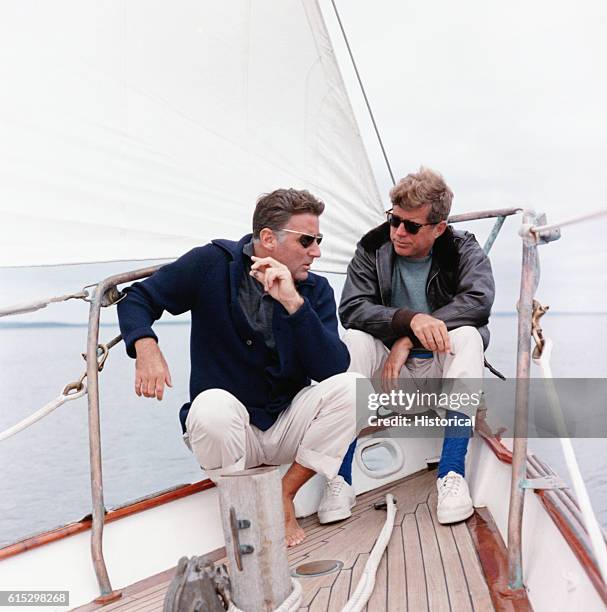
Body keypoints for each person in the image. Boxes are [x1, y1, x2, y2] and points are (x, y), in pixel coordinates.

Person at [117, 188, 361, 546]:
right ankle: (243, 509)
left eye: (319, 240)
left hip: (283, 428)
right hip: (231, 433)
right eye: (307, 240)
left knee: (355, 388)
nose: (317, 251)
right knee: (211, 407)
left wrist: (293, 302)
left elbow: (332, 368)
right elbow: (139, 297)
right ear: (267, 239)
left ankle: (283, 494)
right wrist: (145, 345)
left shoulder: (315, 290)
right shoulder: (211, 264)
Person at [322, 167, 495, 525]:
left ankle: (451, 474)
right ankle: (340, 477)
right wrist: (409, 320)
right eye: (394, 220)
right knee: (354, 339)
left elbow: (478, 301)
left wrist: (408, 338)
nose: (399, 232)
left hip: (439, 371)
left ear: (438, 229)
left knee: (467, 337)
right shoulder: (372, 249)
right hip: (391, 377)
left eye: (412, 226)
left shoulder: (463, 249)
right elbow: (352, 308)